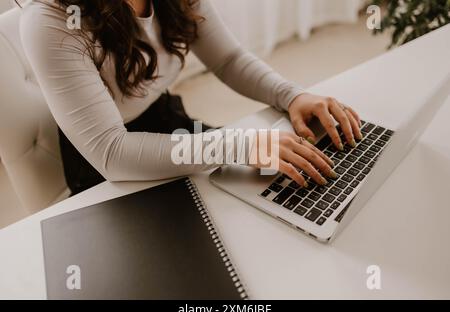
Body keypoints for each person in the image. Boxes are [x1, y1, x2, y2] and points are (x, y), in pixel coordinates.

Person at [19, 0, 362, 195]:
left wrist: (291, 96)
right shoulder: (48, 19)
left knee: (274, 188)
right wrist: (241, 145)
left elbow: (227, 59)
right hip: (105, 161)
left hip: (164, 121)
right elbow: (112, 153)